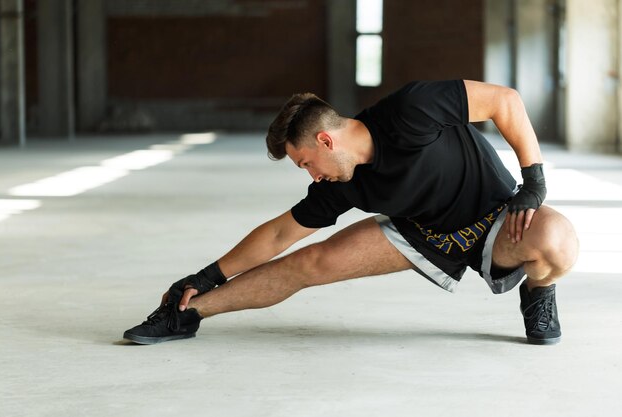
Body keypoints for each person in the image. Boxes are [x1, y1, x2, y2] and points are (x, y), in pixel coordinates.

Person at [123, 79, 578, 345]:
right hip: (424, 235)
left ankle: (539, 294)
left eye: (305, 163)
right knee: (308, 262)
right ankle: (189, 315)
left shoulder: (411, 110)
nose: (311, 176)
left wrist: (533, 182)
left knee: (555, 239)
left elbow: (505, 101)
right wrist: (206, 277)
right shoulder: (342, 182)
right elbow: (280, 235)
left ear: (325, 141)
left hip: (495, 215)